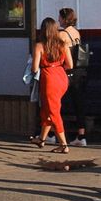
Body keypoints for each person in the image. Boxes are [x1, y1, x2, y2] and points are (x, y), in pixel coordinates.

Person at [31, 17, 73, 153]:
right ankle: (41, 139)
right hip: (61, 76)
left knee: (53, 112)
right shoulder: (63, 44)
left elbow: (35, 68)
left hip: (49, 79)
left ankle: (63, 145)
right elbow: (70, 65)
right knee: (47, 110)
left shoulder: (39, 46)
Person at [58, 7, 88, 147]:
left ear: (64, 18)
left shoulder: (62, 34)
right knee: (79, 104)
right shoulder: (76, 32)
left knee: (56, 103)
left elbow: (59, 54)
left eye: (60, 17)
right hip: (80, 72)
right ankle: (81, 135)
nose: (58, 20)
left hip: (67, 72)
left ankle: (53, 133)